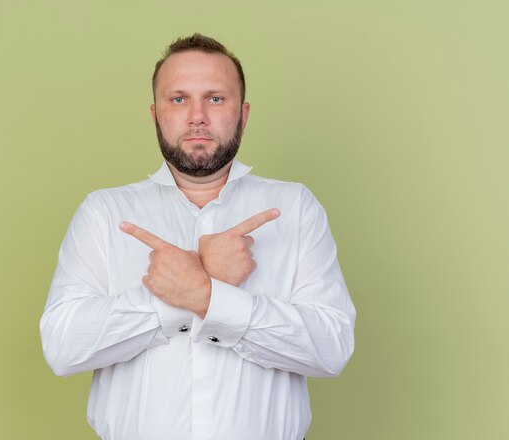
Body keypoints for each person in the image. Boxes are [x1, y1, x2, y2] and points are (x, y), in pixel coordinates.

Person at [40, 33, 356, 440]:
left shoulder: (294, 208)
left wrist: (206, 296)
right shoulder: (104, 213)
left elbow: (330, 349)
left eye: (215, 98)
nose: (197, 116)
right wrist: (185, 289)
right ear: (155, 114)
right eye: (178, 99)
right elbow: (63, 347)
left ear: (243, 115)